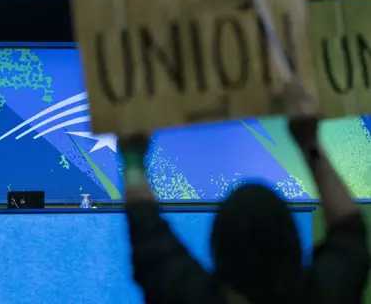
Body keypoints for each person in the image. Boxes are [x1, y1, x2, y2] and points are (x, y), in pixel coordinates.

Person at [119, 78, 370, 304]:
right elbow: (350, 231)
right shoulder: (329, 293)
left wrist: (131, 155)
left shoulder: (185, 295)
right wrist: (309, 141)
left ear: (217, 250)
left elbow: (147, 232)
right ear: (293, 244)